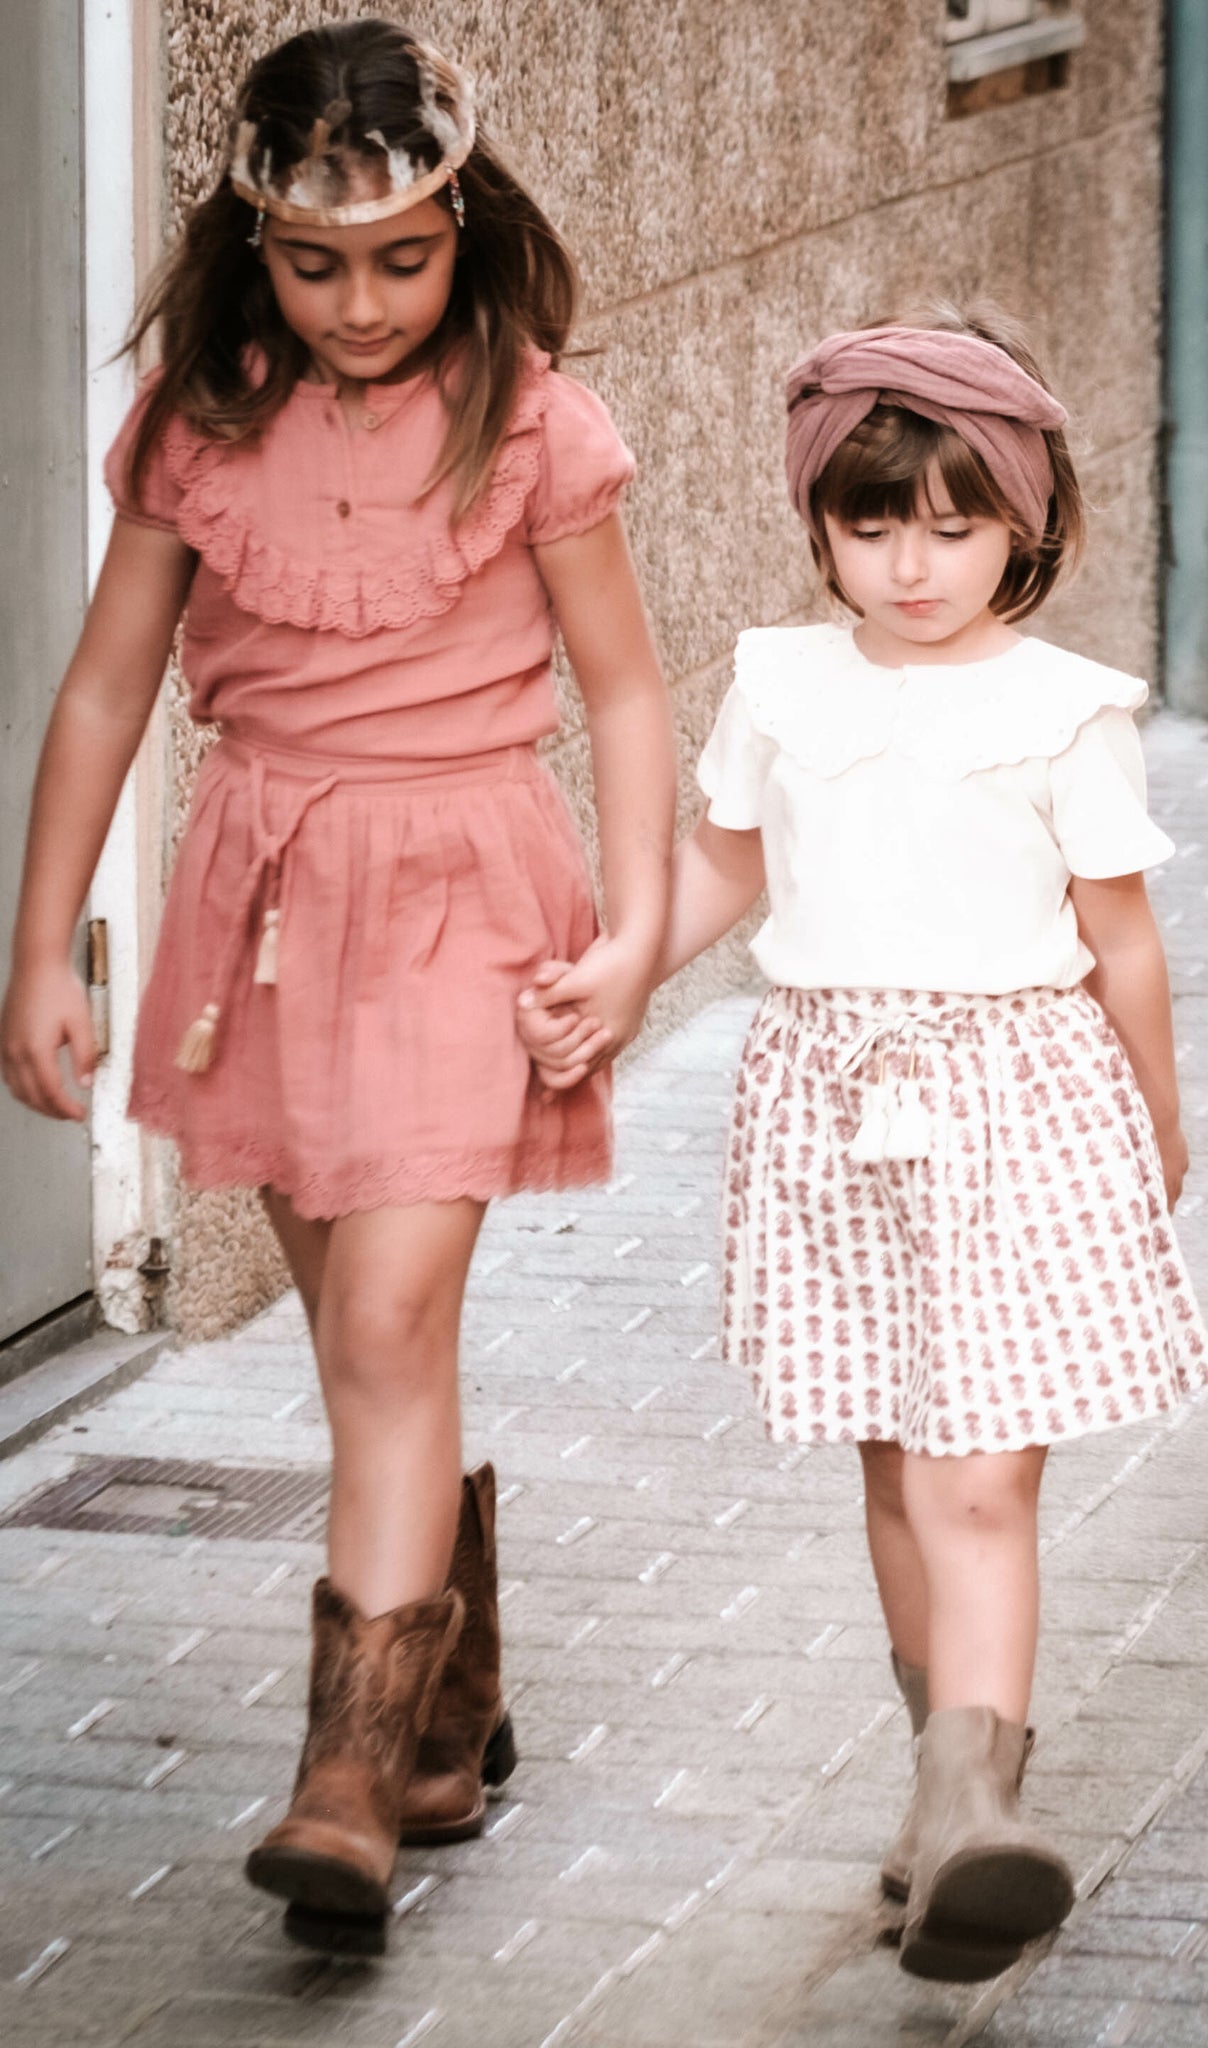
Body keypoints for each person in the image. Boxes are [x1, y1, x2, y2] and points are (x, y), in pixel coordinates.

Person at [0, 19, 673, 1957]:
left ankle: (348, 1779)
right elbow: (107, 690)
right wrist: (42, 944)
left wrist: (633, 935)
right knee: (360, 1334)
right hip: (271, 905)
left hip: (469, 888)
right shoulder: (197, 422)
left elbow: (626, 690)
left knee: (386, 1317)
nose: (361, 303)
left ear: (464, 225)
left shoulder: (531, 421)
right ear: (252, 238)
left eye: (402, 258)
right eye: (313, 262)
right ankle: (448, 1709)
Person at [518, 305, 1208, 1982]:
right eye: (874, 522)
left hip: (1020, 1098)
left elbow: (1118, 938)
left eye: (955, 527)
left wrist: (1156, 1115)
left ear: (1024, 523)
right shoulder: (781, 684)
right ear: (819, 522)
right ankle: (937, 1791)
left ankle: (974, 1802)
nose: (913, 565)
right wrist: (617, 976)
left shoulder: (1064, 709)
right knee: (895, 1462)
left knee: (982, 1472)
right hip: (824, 1104)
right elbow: (724, 864)